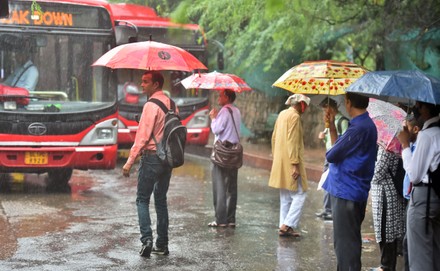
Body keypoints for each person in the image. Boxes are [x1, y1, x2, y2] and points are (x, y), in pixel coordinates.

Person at [322, 92, 378, 271]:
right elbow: (340, 149)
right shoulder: (366, 125)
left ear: (348, 102)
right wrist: (331, 127)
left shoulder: (358, 128)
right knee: (348, 243)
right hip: (354, 191)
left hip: (347, 192)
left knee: (346, 247)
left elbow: (331, 154)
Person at [122, 71, 175, 257]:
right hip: (167, 159)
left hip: (151, 157)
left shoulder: (150, 105)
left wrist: (129, 162)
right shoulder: (171, 104)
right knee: (161, 201)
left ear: (156, 84)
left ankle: (147, 240)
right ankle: (162, 245)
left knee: (142, 199)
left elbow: (142, 137)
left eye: (146, 82)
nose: (141, 84)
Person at [397, 101, 440, 271]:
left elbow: (414, 176)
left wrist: (405, 145)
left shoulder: (427, 135)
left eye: (419, 106)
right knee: (435, 251)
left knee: (420, 255)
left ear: (426, 108)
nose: (416, 109)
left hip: (424, 198)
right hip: (437, 197)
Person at [268, 93, 310, 237]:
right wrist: (294, 164)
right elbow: (293, 140)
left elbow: (274, 137)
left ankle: (284, 226)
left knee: (285, 196)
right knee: (300, 194)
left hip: (280, 160)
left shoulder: (282, 114)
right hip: (291, 160)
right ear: (301, 104)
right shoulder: (295, 117)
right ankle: (287, 224)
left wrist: (276, 158)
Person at [208, 89, 241, 228]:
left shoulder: (224, 111)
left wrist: (213, 118)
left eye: (220, 95)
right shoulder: (237, 111)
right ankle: (231, 218)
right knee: (231, 187)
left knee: (220, 186)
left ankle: (220, 220)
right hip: (234, 153)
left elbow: (216, 129)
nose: (218, 98)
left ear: (227, 97)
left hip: (222, 154)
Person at [369, 145, 406, 271]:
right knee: (389, 231)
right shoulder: (393, 144)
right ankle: (387, 265)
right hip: (390, 191)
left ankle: (386, 266)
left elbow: (378, 172)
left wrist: (367, 171)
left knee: (385, 230)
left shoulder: (387, 146)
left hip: (385, 192)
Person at [315, 97, 349, 220]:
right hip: (329, 154)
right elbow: (329, 139)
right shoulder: (329, 122)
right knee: (326, 181)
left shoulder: (342, 121)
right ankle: (327, 208)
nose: (325, 111)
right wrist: (324, 136)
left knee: (332, 182)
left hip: (336, 156)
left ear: (331, 107)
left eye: (325, 108)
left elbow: (344, 141)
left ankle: (331, 210)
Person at [401, 114, 423, 271]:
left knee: (409, 243)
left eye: (406, 128)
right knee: (407, 241)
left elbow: (413, 174)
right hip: (409, 197)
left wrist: (404, 145)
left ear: (416, 129)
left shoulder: (419, 147)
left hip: (417, 197)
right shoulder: (413, 145)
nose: (404, 131)